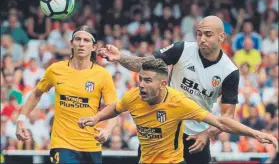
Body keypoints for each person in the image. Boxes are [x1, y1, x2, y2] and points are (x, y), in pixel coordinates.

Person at [78, 58, 278, 164]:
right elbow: (116, 107)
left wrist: (256, 134)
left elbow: (221, 121)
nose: (141, 85)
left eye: (148, 80)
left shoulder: (179, 102)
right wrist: (95, 118)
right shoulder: (133, 97)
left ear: (163, 83)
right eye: (140, 79)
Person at [98, 16, 240, 163]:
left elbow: (227, 116)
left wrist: (207, 134)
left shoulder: (229, 71)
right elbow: (146, 65)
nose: (202, 39)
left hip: (196, 137)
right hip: (164, 129)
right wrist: (120, 57)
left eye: (208, 34)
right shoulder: (182, 49)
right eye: (199, 34)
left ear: (221, 37)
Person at [15, 26, 118, 163]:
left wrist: (107, 130)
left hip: (91, 145)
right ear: (71, 44)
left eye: (86, 40)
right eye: (78, 39)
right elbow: (36, 94)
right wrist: (21, 119)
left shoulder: (103, 75)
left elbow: (114, 108)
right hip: (62, 144)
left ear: (94, 47)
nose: (81, 43)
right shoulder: (55, 69)